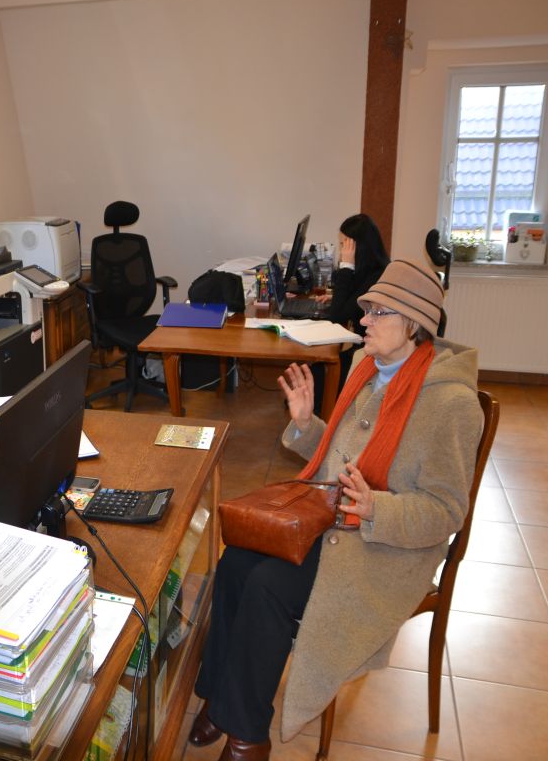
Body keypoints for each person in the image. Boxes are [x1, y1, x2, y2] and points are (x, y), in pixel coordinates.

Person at [189, 259, 483, 761]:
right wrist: (307, 425)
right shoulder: (367, 370)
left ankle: (247, 735)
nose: (364, 320)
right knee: (235, 562)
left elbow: (446, 510)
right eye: (366, 309)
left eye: (378, 312)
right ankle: (220, 700)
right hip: (335, 522)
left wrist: (375, 508)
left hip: (387, 549)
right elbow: (337, 465)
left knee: (266, 587)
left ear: (414, 323)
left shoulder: (451, 404)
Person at [311, 213, 390, 412]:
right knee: (315, 367)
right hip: (364, 345)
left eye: (344, 244)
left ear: (357, 246)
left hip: (369, 353)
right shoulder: (372, 270)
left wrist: (346, 266)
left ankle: (322, 417)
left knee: (318, 367)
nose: (342, 250)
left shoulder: (378, 276)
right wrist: (335, 296)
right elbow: (353, 299)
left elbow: (337, 317)